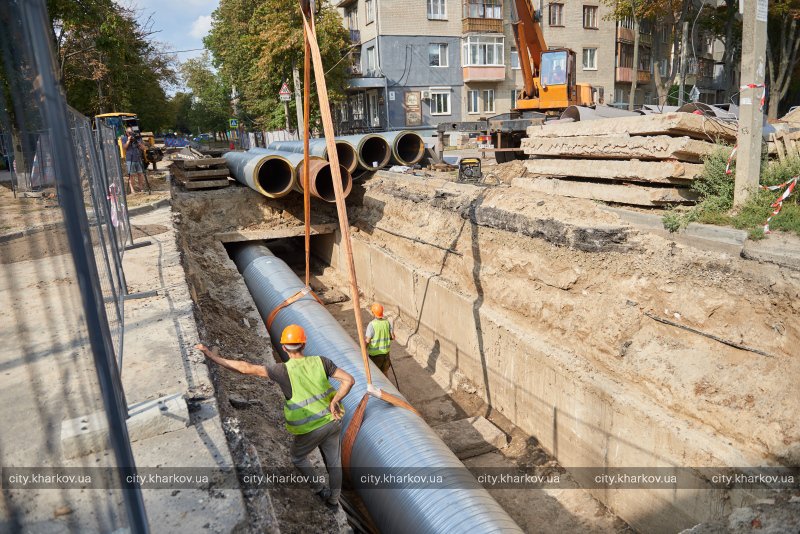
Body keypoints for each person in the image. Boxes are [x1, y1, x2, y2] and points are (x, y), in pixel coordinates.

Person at [195, 324, 354, 510]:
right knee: (334, 463)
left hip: (311, 428)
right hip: (333, 420)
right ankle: (334, 501)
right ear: (304, 344)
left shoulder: (282, 371)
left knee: (298, 457)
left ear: (284, 348)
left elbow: (245, 368)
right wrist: (334, 401)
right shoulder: (322, 361)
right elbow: (349, 380)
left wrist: (212, 355)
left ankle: (319, 489)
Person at [365, 303, 395, 374]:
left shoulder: (372, 324)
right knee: (384, 373)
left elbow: (367, 340)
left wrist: (362, 349)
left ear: (373, 313)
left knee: (376, 376)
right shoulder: (387, 323)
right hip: (386, 355)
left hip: (375, 357)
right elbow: (392, 337)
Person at [121, 127, 146, 193]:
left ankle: (141, 188)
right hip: (129, 158)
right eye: (129, 132)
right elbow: (124, 147)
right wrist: (128, 140)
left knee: (140, 173)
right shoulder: (124, 138)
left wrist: (138, 143)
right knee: (131, 175)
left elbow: (143, 148)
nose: (130, 134)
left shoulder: (138, 138)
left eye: (131, 132)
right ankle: (132, 189)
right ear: (126, 133)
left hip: (138, 158)